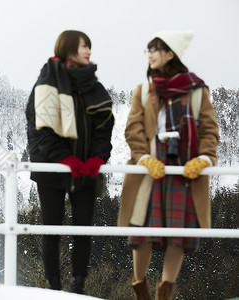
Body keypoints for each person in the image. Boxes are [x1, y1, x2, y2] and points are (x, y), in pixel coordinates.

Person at [118, 31, 219, 300]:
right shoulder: (144, 90)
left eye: (155, 49)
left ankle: (165, 292)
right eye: (148, 50)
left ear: (171, 54)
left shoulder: (197, 91)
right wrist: (143, 158)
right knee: (142, 229)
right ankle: (140, 289)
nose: (150, 55)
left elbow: (210, 131)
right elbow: (133, 129)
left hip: (185, 167)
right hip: (150, 165)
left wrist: (203, 158)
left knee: (179, 233)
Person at [26, 30, 114, 294]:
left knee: (83, 228)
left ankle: (78, 287)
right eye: (83, 45)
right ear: (68, 48)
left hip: (86, 170)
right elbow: (40, 128)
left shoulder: (94, 86)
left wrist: (98, 158)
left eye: (89, 45)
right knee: (51, 228)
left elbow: (104, 127)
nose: (89, 50)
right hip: (52, 169)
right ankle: (53, 288)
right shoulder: (47, 81)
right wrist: (65, 159)